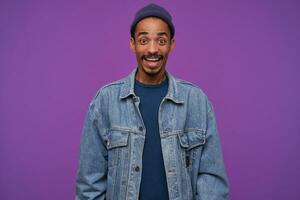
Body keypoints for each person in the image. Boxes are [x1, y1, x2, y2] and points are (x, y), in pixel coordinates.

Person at [76, 3, 229, 200]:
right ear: (133, 44)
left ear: (172, 44)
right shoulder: (105, 101)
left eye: (161, 40)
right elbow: (90, 184)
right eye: (144, 40)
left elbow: (212, 181)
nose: (152, 49)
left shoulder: (196, 101)